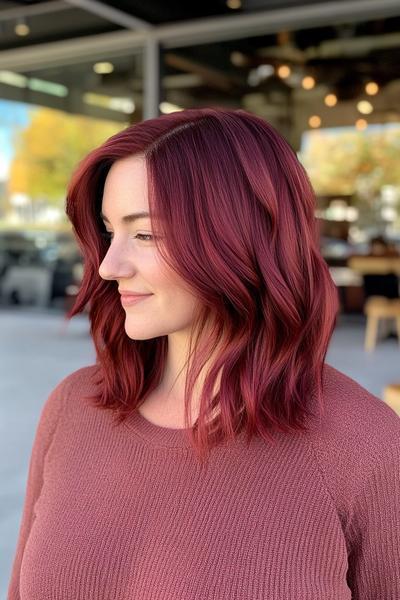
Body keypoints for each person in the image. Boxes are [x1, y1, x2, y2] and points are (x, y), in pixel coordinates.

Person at [8, 107, 400, 600]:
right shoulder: (72, 407)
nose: (109, 266)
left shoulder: (367, 449)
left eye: (145, 233)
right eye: (110, 231)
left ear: (242, 239)